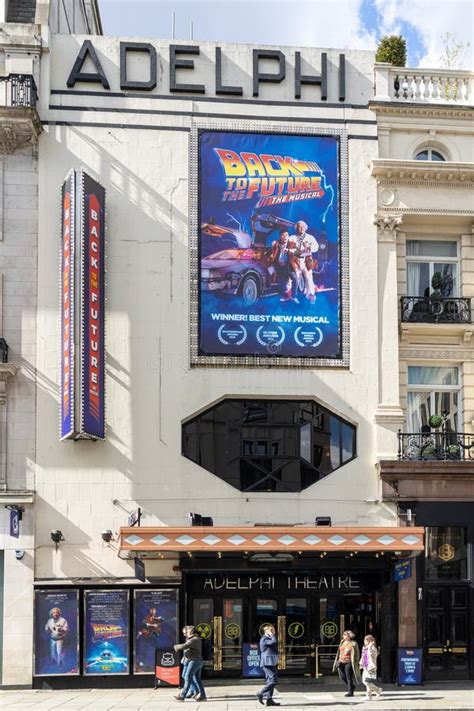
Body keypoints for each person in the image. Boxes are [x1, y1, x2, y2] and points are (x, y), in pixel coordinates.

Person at [174, 626, 207, 702]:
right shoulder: (192, 639)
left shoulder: (194, 640)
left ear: (191, 632)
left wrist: (176, 647)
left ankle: (183, 695)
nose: (186, 633)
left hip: (194, 661)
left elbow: (184, 646)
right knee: (197, 679)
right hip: (194, 660)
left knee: (188, 677)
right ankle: (202, 695)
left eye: (187, 631)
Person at [289, 220, 319, 303]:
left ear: (305, 228)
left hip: (307, 260)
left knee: (309, 278)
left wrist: (309, 247)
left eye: (303, 227)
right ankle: (293, 296)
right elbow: (290, 249)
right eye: (299, 226)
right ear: (296, 228)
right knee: (296, 278)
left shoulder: (310, 237)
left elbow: (316, 247)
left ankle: (311, 295)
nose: (301, 228)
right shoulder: (292, 237)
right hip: (296, 260)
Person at [257, 624, 280, 707]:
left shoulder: (268, 638)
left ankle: (269, 700)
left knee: (270, 680)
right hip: (267, 663)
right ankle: (261, 693)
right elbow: (274, 642)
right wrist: (272, 635)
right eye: (272, 630)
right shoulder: (264, 639)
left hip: (270, 662)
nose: (274, 631)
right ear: (267, 631)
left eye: (273, 630)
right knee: (274, 679)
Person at [332, 629, 361, 698]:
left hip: (349, 662)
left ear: (349, 636)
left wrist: (357, 661)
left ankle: (350, 691)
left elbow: (357, 653)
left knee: (348, 677)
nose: (343, 636)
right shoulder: (342, 642)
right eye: (343, 635)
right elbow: (339, 652)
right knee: (342, 677)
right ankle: (352, 686)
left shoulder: (353, 643)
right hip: (341, 661)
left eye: (345, 635)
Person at [359, 635, 382, 700]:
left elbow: (372, 655)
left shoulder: (373, 648)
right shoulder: (365, 647)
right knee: (366, 681)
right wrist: (361, 663)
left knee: (367, 682)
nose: (364, 641)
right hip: (365, 666)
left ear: (369, 641)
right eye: (364, 640)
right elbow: (363, 656)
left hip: (371, 667)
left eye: (366, 640)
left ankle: (377, 690)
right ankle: (369, 696)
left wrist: (369, 647)